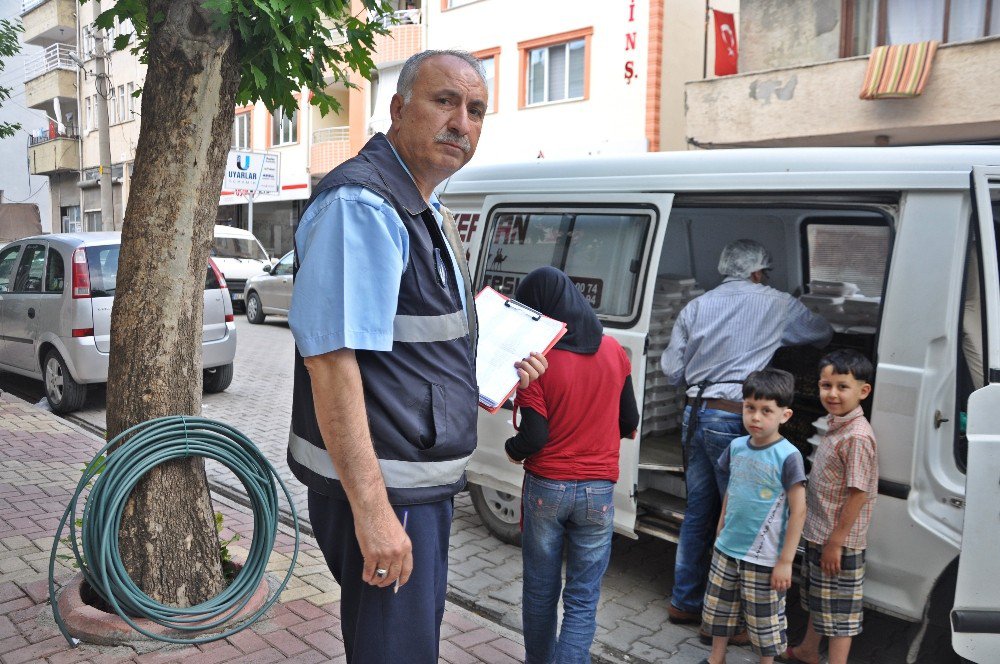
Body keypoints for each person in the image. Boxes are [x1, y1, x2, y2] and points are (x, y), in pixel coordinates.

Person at [285, 50, 546, 663]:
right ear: (398, 109)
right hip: (388, 489)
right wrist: (374, 515)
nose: (462, 122)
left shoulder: (419, 205)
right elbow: (330, 361)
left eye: (477, 110)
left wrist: (476, 375)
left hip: (414, 483)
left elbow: (415, 341)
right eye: (445, 101)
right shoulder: (365, 205)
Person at [660, 239, 832, 630]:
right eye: (765, 272)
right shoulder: (776, 302)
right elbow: (821, 331)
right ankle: (728, 618)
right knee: (741, 517)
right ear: (757, 272)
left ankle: (684, 601)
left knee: (699, 511)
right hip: (737, 418)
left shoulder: (696, 305)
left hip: (696, 413)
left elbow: (672, 369)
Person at [503, 267, 640, 664]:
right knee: (583, 596)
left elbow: (534, 438)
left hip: (547, 487)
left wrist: (513, 450)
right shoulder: (614, 350)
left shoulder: (537, 364)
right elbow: (628, 422)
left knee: (541, 591)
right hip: (598, 491)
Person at [700, 368, 807, 664]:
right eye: (750, 408)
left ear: (785, 415)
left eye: (766, 411)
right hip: (727, 548)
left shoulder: (788, 456)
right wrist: (720, 530)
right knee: (719, 610)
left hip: (764, 556)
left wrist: (785, 561)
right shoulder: (736, 447)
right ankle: (716, 658)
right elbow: (731, 492)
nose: (756, 417)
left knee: (764, 622)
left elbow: (799, 510)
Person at [782, 350, 877, 664]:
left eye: (842, 386)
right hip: (820, 534)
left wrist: (836, 542)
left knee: (840, 615)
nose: (832, 393)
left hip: (839, 542)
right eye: (826, 385)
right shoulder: (837, 425)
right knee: (819, 600)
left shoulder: (857, 436)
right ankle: (809, 650)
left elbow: (858, 494)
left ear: (863, 391)